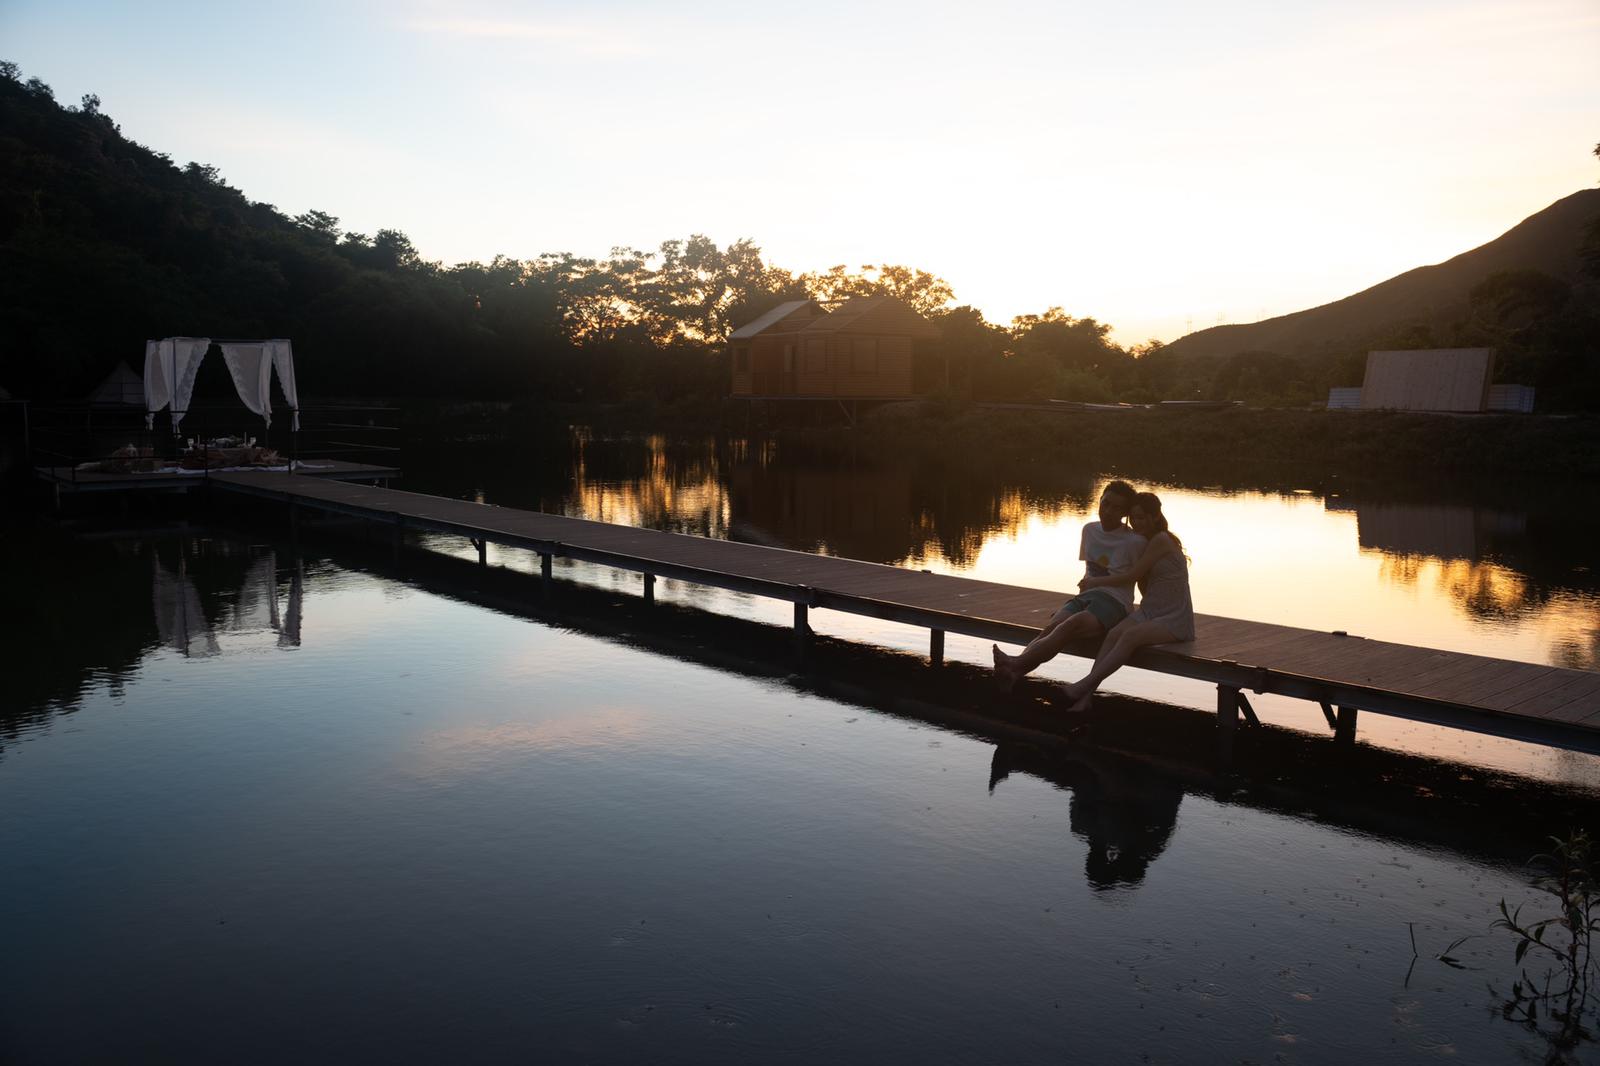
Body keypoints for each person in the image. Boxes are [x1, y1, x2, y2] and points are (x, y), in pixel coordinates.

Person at [992, 480, 1144, 691]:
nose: (1108, 511)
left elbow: (1140, 576)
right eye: (1106, 503)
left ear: (1124, 513)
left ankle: (1015, 663)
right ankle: (1015, 673)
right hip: (1087, 596)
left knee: (1070, 625)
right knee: (1054, 625)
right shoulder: (1089, 530)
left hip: (1115, 602)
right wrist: (1076, 602)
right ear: (1099, 501)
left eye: (1116, 508)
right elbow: (1089, 572)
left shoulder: (1134, 541)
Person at [1060, 491, 1195, 713]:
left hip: (1173, 617)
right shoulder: (1141, 542)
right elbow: (1141, 584)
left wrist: (1094, 582)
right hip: (1150, 611)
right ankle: (1086, 697)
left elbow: (1131, 576)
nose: (1137, 523)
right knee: (1114, 633)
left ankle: (1085, 685)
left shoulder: (1161, 540)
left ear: (1154, 517)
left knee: (1130, 636)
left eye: (1142, 518)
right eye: (1133, 518)